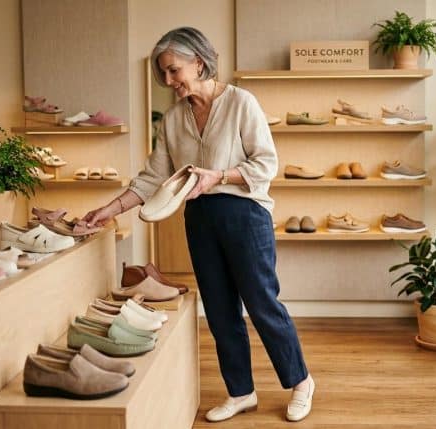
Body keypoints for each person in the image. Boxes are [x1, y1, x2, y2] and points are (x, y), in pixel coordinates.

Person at [80, 27, 314, 423]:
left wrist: (218, 177)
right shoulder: (172, 119)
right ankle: (241, 392)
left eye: (173, 71)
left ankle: (300, 381)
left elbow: (265, 164)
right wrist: (110, 208)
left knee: (261, 304)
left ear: (199, 62)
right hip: (200, 219)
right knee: (220, 310)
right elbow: (153, 177)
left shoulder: (242, 103)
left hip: (245, 215)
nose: (169, 82)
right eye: (164, 75)